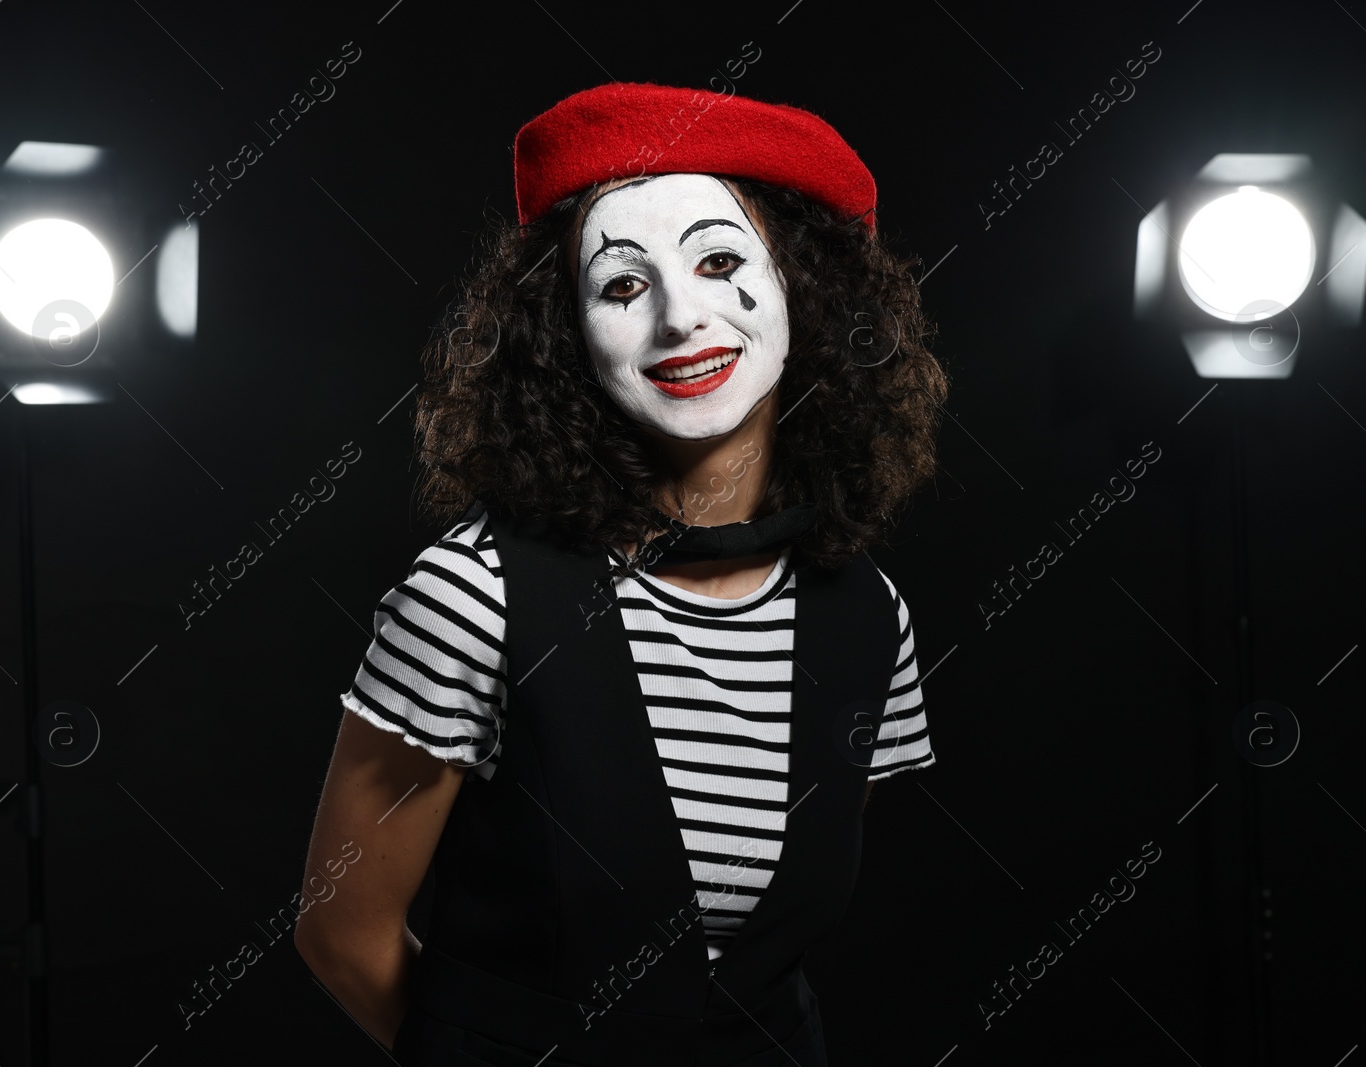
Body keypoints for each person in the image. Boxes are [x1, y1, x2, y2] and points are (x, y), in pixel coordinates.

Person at [294, 81, 951, 1066]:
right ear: (564, 338)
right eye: (621, 284)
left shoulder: (868, 616)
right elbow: (341, 932)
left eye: (720, 260)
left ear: (804, 296)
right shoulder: (471, 598)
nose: (679, 318)